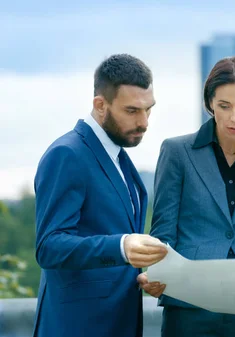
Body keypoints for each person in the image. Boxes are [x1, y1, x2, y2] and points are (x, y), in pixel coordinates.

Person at [137, 55, 235, 337]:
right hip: (189, 303)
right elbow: (163, 232)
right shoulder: (177, 152)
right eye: (224, 106)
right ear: (209, 104)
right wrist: (156, 273)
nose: (234, 117)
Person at [33, 54, 168, 337]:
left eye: (148, 109)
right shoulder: (67, 154)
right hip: (77, 326)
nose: (144, 122)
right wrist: (120, 247)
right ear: (100, 105)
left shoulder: (118, 156)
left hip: (119, 322)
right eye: (132, 111)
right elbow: (49, 246)